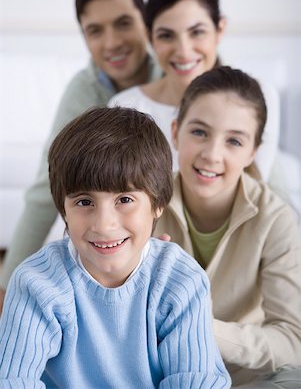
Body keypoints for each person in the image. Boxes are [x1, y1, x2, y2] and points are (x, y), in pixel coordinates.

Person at [0, 107, 231, 389]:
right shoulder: (36, 283)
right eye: (84, 202)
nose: (104, 225)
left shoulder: (181, 281)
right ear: (64, 209)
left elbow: (197, 382)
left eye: (124, 199)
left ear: (157, 204)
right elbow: (12, 380)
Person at [0, 0, 162, 311]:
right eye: (95, 31)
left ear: (145, 25)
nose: (112, 42)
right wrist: (6, 284)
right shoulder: (84, 91)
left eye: (123, 24)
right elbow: (46, 185)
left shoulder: (172, 70)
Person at [154, 66, 301, 388]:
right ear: (176, 132)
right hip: (159, 372)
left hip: (246, 378)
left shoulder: (276, 219)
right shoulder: (142, 205)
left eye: (234, 141)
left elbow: (293, 340)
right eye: (199, 132)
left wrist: (199, 327)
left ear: (253, 153)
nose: (212, 154)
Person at [108, 0, 279, 176]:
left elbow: (257, 190)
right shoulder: (126, 107)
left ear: (220, 29)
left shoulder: (259, 99)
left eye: (197, 32)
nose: (183, 51)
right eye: (166, 35)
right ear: (149, 36)